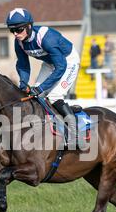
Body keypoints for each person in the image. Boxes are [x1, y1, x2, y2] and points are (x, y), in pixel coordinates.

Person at [6, 8, 80, 148]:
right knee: (37, 96)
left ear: (29, 26)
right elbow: (22, 64)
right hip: (50, 63)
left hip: (67, 62)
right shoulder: (19, 42)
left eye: (19, 29)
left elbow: (61, 67)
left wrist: (40, 87)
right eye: (12, 30)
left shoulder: (46, 38)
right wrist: (23, 82)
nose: (15, 34)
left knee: (54, 95)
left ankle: (76, 135)